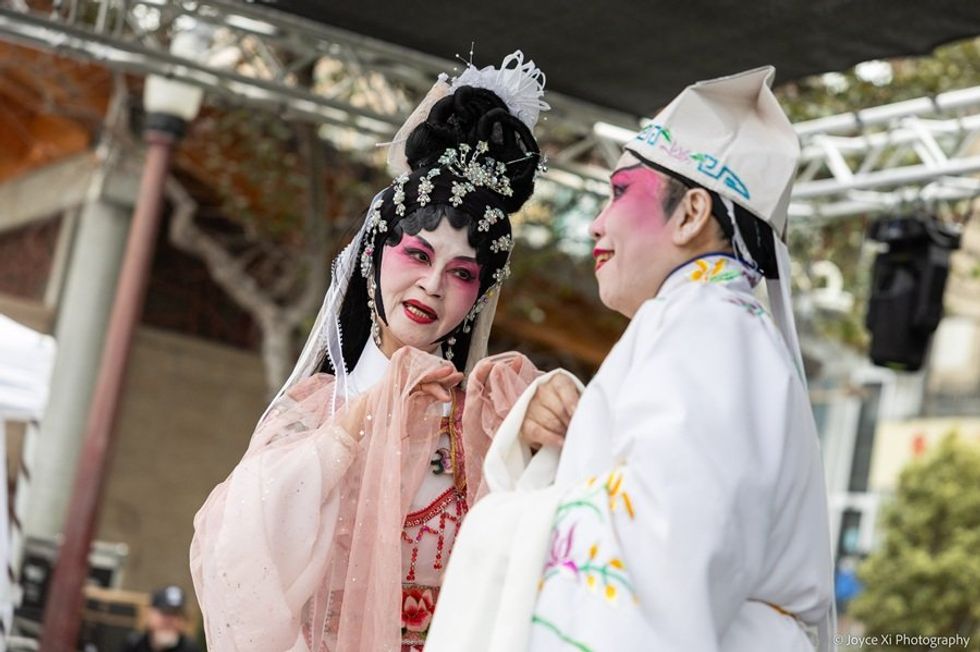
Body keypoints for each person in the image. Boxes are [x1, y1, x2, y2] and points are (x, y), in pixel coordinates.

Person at [426, 66, 835, 652]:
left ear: (691, 214)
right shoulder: (710, 324)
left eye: (619, 193)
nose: (597, 223)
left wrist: (504, 524)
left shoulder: (708, 327)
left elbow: (661, 552)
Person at [190, 51, 550, 651]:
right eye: (418, 255)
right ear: (372, 254)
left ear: (480, 296)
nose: (432, 285)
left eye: (462, 273)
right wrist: (357, 424)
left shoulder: (485, 420)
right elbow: (234, 560)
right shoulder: (315, 411)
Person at [118, 585, 199, 652]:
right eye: (165, 613)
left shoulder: (190, 649)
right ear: (150, 614)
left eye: (175, 615)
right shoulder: (134, 645)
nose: (169, 621)